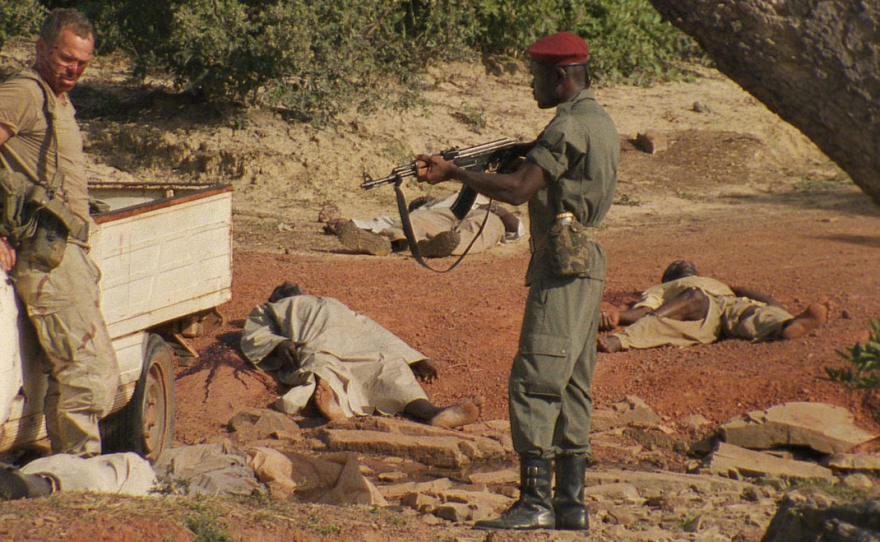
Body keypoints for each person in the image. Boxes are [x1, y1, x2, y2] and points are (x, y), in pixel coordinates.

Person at [416, 32, 619, 531]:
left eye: (535, 76)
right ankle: (570, 506)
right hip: (586, 261)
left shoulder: (568, 126)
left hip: (563, 266)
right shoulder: (599, 121)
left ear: (559, 76)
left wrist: (456, 174)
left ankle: (535, 503)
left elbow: (519, 188)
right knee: (571, 384)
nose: (530, 85)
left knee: (535, 380)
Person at [0, 9, 119, 457]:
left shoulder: (55, 98)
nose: (74, 70)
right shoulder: (23, 94)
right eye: (66, 59)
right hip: (47, 258)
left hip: (67, 252)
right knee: (90, 376)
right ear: (41, 49)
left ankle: (62, 470)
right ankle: (80, 481)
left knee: (70, 376)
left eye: (83, 63)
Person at [240, 282, 485, 429]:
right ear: (277, 297)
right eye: (284, 288)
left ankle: (434, 413)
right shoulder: (272, 308)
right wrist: (280, 344)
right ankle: (332, 408)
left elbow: (374, 330)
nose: (290, 285)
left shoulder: (332, 303)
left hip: (361, 348)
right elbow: (255, 334)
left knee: (392, 369)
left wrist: (416, 359)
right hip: (320, 346)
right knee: (322, 369)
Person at [597, 259, 828, 353]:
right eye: (678, 265)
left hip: (729, 304)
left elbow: (769, 301)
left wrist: (739, 289)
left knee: (756, 313)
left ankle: (788, 325)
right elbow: (646, 310)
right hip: (696, 309)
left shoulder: (717, 284)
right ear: (669, 277)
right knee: (685, 303)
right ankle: (620, 340)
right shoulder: (663, 288)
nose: (683, 262)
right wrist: (620, 315)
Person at [331, 193, 524, 258]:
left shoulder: (470, 195)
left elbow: (517, 229)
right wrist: (350, 224)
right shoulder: (430, 206)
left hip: (485, 212)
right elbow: (389, 221)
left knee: (483, 225)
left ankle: (450, 246)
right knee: (413, 220)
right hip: (444, 215)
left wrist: (499, 211)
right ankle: (387, 243)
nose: (422, 198)